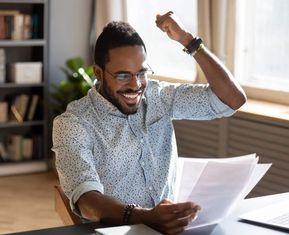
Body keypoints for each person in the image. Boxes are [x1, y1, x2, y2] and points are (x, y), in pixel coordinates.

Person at [52, 11, 246, 235]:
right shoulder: (73, 123)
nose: (136, 85)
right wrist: (146, 217)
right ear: (99, 72)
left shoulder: (159, 97)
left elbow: (233, 99)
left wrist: (188, 41)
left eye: (142, 72)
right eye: (123, 75)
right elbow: (86, 199)